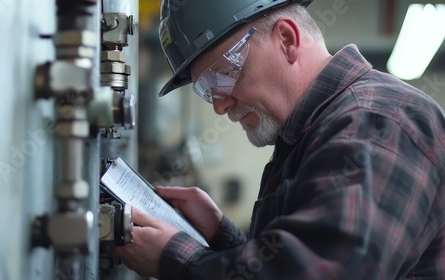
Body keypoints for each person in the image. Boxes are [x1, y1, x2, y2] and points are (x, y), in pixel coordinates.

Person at [115, 0, 445, 279]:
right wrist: (221, 236)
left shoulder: (377, 122)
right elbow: (297, 256)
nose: (219, 105)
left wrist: (178, 259)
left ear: (287, 39)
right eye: (207, 90)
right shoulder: (314, 132)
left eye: (223, 75)